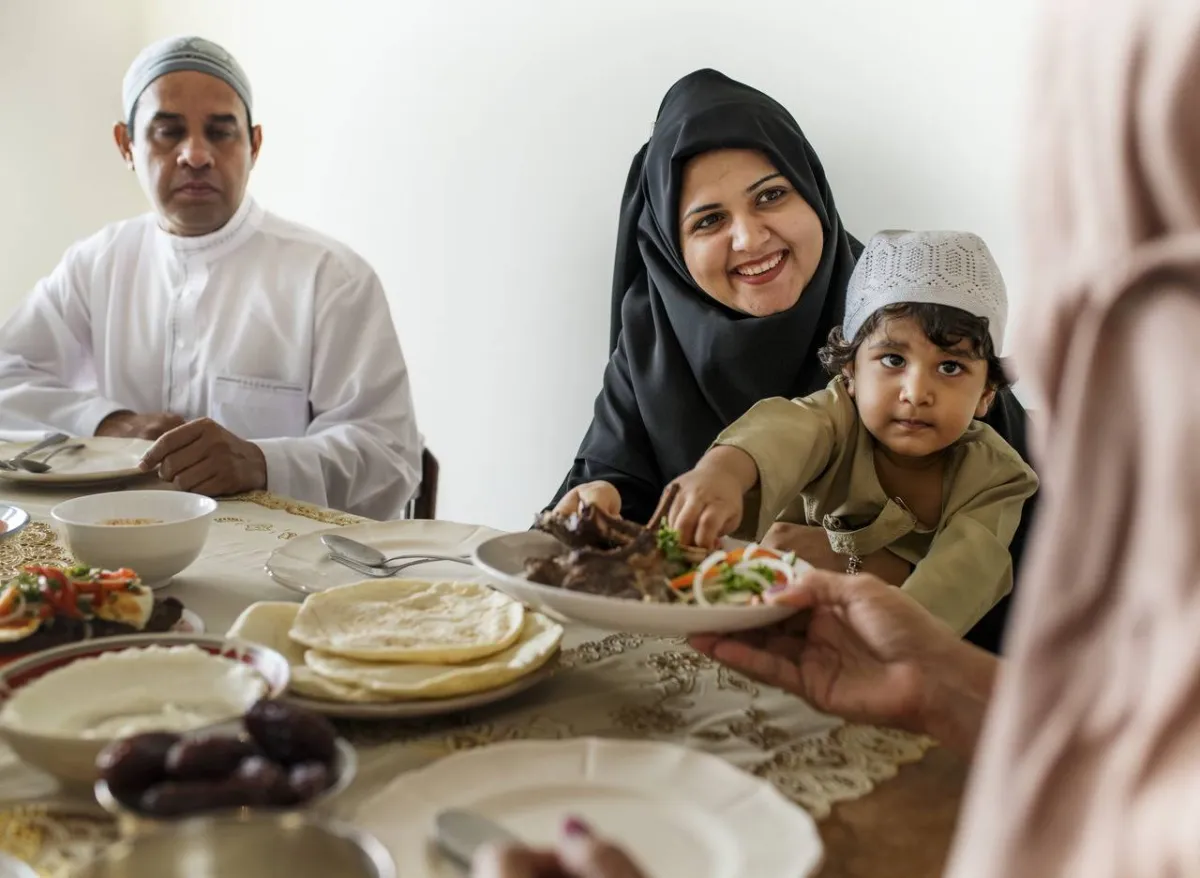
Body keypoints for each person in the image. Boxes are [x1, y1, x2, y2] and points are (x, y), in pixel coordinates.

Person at [549, 69, 1037, 651]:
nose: (750, 239)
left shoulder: (910, 323)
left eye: (772, 196)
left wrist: (867, 567)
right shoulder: (652, 341)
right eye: (709, 220)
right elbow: (615, 502)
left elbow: (1040, 565)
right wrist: (596, 507)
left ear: (812, 193)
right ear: (671, 248)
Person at [0, 36, 421, 519]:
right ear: (126, 145)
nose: (195, 155)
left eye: (220, 132)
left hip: (285, 572)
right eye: (168, 131)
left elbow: (390, 457)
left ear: (254, 145)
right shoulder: (96, 264)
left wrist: (263, 462)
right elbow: (7, 378)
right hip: (117, 555)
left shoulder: (330, 277)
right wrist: (107, 422)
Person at [658, 230, 1038, 635]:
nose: (916, 393)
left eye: (950, 367)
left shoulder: (997, 478)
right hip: (765, 616)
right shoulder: (835, 419)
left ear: (986, 394)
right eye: (893, 359)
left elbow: (959, 583)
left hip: (881, 647)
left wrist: (882, 640)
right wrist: (723, 473)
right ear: (850, 371)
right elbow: (781, 431)